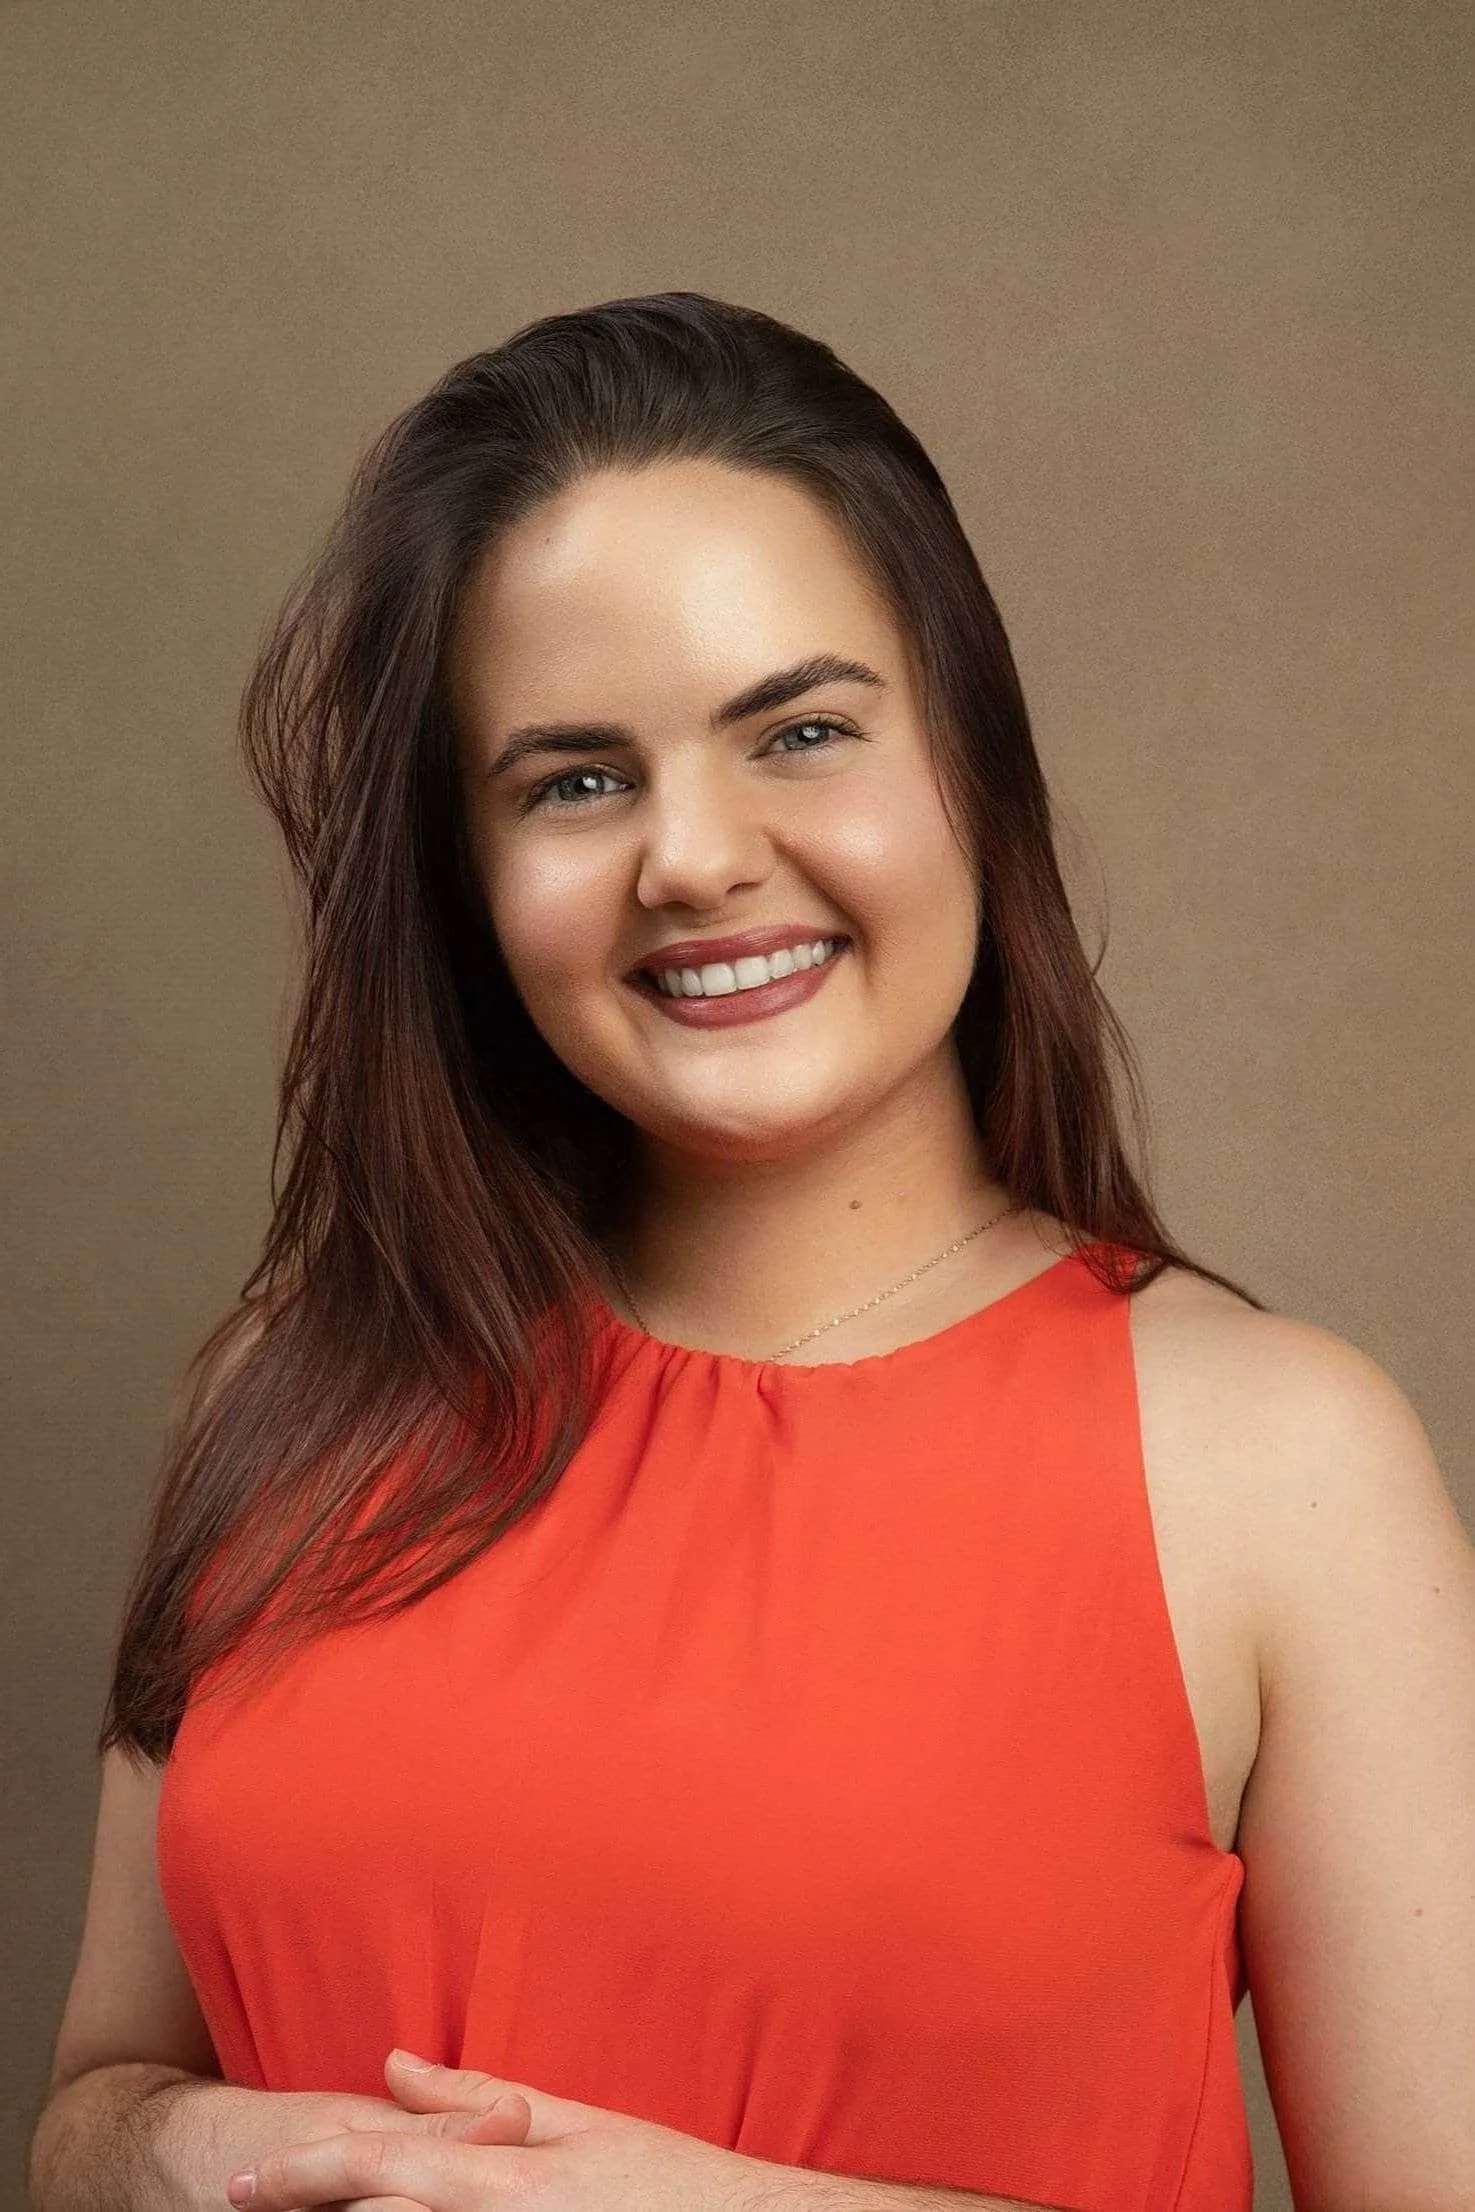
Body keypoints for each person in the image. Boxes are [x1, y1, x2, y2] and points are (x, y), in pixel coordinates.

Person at [31, 293, 1474, 2212]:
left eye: (799, 733)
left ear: (972, 764)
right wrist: (183, 2147)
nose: (694, 859)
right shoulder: (285, 1391)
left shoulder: (1277, 1465)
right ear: (467, 877)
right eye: (574, 779)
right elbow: (92, 2102)